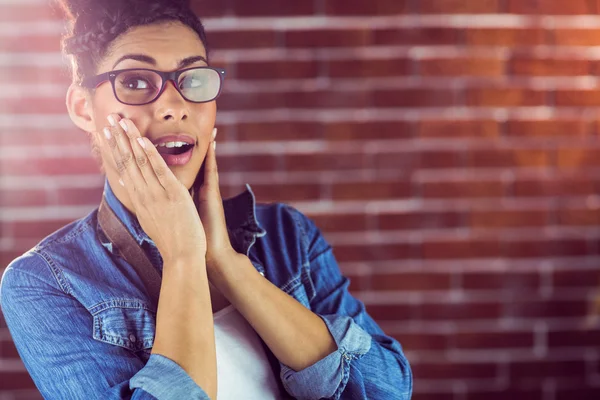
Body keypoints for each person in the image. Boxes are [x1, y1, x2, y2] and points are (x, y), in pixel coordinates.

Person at [0, 0, 412, 399]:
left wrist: (228, 265)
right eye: (136, 81)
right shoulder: (46, 281)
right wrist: (183, 254)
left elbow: (387, 391)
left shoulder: (289, 236)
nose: (173, 107)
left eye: (192, 79)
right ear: (82, 107)